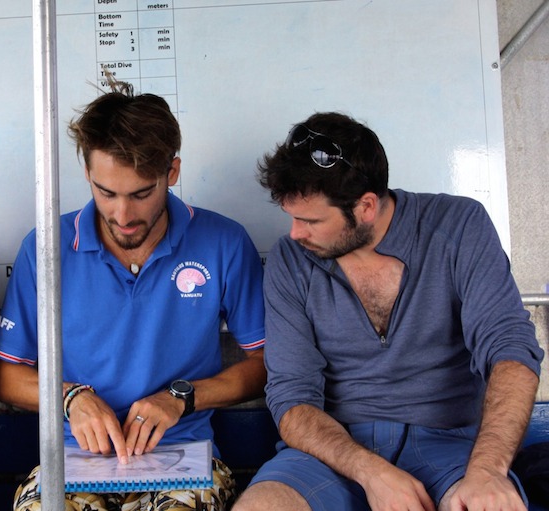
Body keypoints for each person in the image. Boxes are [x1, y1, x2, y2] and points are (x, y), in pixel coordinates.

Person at [233, 112, 544, 511]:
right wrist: (370, 471)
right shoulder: (290, 260)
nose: (295, 233)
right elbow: (292, 399)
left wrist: (487, 472)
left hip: (452, 448)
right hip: (335, 452)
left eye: (309, 220)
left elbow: (511, 352)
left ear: (365, 207)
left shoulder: (461, 225)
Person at [0, 80, 266, 511]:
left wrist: (181, 398)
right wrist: (71, 398)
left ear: (171, 173)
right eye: (106, 193)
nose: (122, 215)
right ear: (87, 174)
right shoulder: (46, 246)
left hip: (186, 459)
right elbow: (4, 376)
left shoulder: (224, 242)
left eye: (141, 194)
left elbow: (263, 364)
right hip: (71, 461)